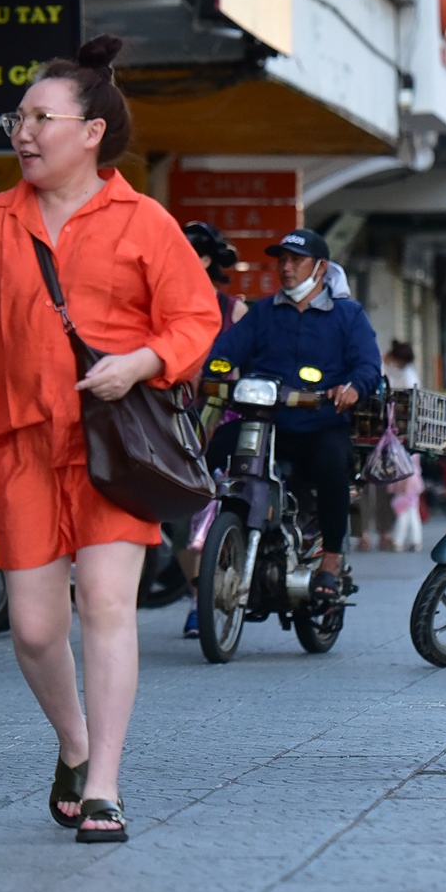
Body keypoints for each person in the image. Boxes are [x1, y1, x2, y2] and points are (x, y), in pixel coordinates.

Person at [0, 36, 217, 843]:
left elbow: (197, 317)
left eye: (40, 118)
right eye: (17, 118)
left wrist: (142, 362)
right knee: (32, 628)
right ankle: (74, 742)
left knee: (105, 603)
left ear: (91, 132)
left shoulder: (143, 220)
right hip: (21, 444)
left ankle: (105, 784)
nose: (23, 133)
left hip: (114, 447)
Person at [209, 228, 381, 608]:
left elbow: (368, 365)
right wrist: (211, 370)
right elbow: (225, 353)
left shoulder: (347, 315)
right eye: (281, 260)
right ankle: (211, 538)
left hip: (319, 425)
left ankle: (331, 561)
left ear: (320, 268)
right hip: (265, 424)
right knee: (214, 449)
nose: (286, 268)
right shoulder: (262, 313)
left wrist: (352, 387)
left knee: (334, 463)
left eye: (295, 260)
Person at [178, 220, 245, 638]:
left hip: (221, 421)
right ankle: (195, 592)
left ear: (203, 259)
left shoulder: (232, 310)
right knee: (175, 516)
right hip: (169, 421)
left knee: (213, 506)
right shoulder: (157, 304)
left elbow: (248, 365)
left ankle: (209, 593)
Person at [356, 340, 420, 551]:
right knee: (362, 483)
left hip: (393, 435)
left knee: (387, 482)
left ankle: (386, 533)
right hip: (367, 430)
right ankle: (363, 534)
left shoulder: (408, 372)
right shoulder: (375, 364)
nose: (400, 367)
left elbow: (414, 396)